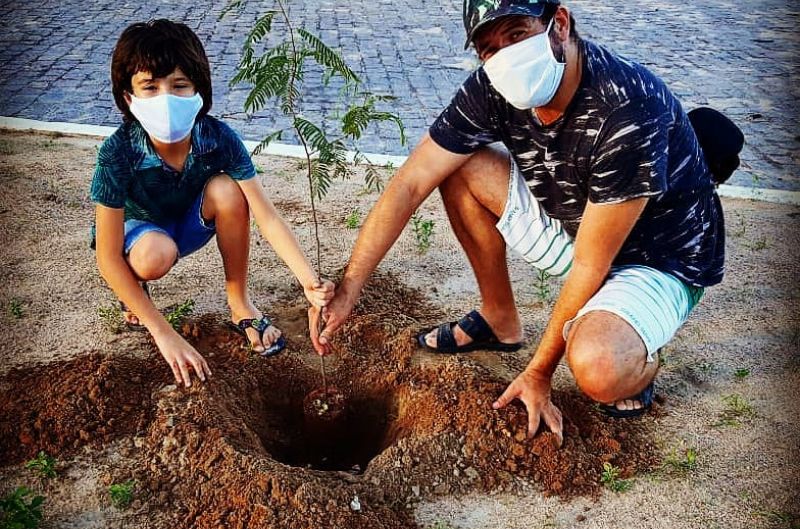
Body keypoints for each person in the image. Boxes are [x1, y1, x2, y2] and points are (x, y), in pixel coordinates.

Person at [310, 0, 724, 445]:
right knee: (458, 165)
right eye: (489, 48)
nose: (504, 55)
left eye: (516, 34)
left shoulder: (626, 108)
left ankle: (639, 357)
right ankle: (499, 318)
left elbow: (592, 264)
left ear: (559, 24)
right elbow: (410, 183)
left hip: (657, 259)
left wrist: (538, 372)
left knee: (599, 367)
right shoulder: (491, 88)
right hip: (576, 225)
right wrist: (350, 286)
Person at [91, 19, 333, 387]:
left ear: (199, 91)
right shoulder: (117, 152)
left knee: (229, 190)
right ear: (128, 97)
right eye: (150, 87)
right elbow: (107, 256)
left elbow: (266, 215)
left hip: (188, 224)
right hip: (139, 238)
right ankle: (134, 291)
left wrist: (309, 283)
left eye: (179, 86)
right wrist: (164, 332)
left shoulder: (218, 138)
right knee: (154, 255)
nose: (165, 99)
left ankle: (240, 303)